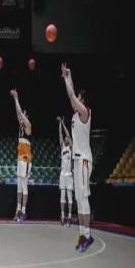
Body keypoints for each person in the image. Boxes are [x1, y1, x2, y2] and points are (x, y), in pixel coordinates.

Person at [61, 63, 94, 252]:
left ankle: (88, 235)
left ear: (84, 101)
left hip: (84, 160)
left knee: (84, 198)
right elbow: (72, 96)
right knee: (79, 199)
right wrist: (69, 76)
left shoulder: (85, 113)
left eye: (80, 98)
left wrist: (66, 78)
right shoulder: (76, 113)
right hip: (77, 160)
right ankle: (82, 233)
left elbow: (72, 96)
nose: (76, 100)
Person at [10, 89, 32, 223]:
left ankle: (24, 211)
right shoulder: (21, 126)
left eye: (24, 114)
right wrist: (15, 99)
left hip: (26, 159)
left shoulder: (28, 125)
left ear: (27, 116)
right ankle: (17, 210)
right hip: (20, 159)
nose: (22, 116)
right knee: (18, 186)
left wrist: (17, 98)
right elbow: (18, 113)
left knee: (24, 186)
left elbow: (21, 115)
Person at [57, 116, 74, 226]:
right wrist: (60, 123)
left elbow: (67, 134)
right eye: (65, 138)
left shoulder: (71, 147)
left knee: (70, 197)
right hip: (62, 175)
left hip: (69, 175)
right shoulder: (63, 146)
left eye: (67, 138)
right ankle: (63, 216)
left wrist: (63, 124)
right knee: (62, 197)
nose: (66, 138)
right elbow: (60, 134)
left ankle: (70, 217)